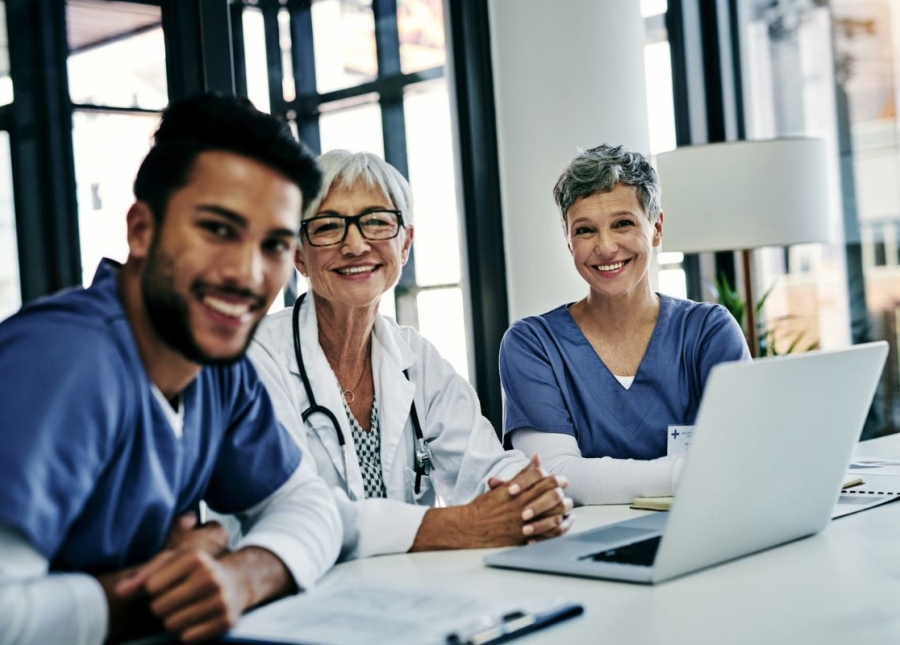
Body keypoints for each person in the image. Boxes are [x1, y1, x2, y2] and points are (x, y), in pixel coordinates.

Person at [0, 94, 342, 644]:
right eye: (218, 229)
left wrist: (238, 576)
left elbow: (309, 505)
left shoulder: (216, 367)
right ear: (141, 230)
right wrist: (160, 596)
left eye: (274, 244)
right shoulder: (63, 360)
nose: (247, 274)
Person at [248, 150, 573, 560]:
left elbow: (484, 466)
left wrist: (530, 498)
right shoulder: (259, 357)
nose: (355, 244)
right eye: (328, 227)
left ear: (405, 244)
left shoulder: (417, 358)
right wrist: (462, 525)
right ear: (299, 256)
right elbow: (293, 511)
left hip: (408, 590)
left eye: (377, 222)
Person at [499, 144, 750, 505]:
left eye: (623, 224)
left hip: (705, 532)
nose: (605, 247)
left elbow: (740, 457)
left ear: (657, 228)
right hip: (587, 546)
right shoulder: (533, 344)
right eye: (585, 230)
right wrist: (691, 472)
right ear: (569, 243)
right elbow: (556, 475)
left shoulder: (708, 331)